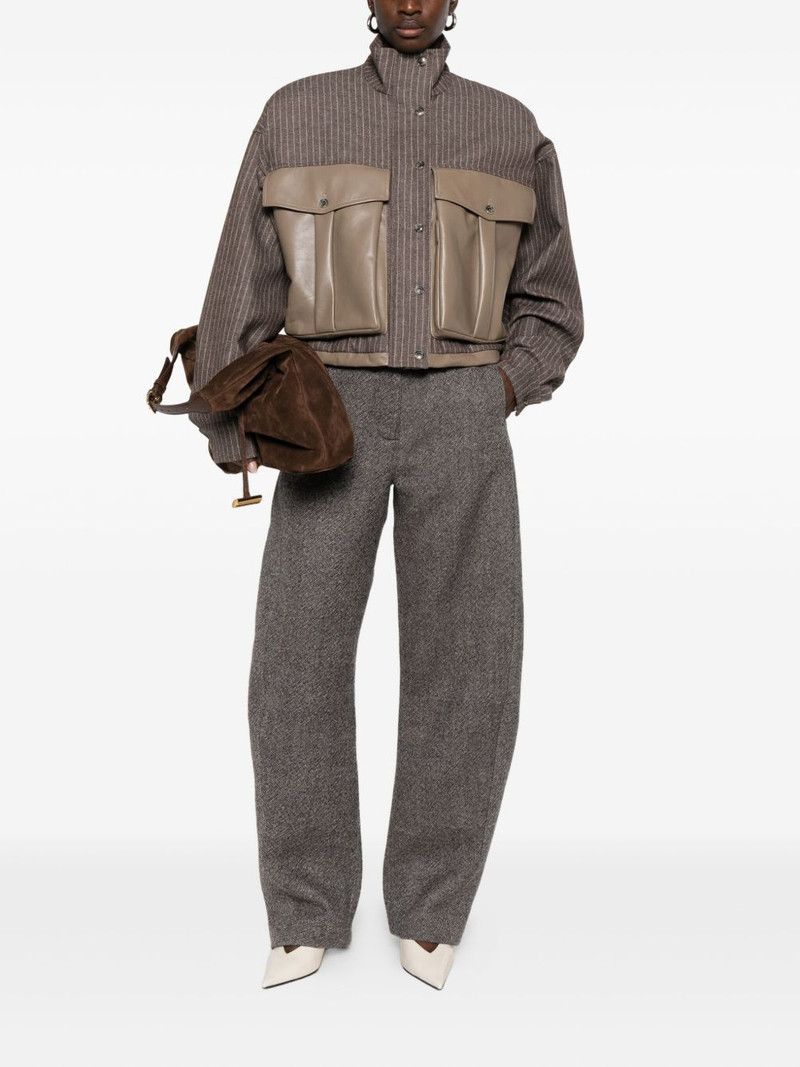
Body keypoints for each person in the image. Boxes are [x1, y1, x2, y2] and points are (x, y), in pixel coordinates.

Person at [188, 0, 584, 990]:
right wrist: (237, 428)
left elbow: (552, 300)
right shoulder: (294, 112)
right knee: (296, 658)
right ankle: (304, 907)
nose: (410, 2)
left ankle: (432, 907)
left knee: (469, 661)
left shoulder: (508, 126)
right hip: (331, 408)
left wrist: (499, 386)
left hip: (464, 406)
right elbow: (242, 280)